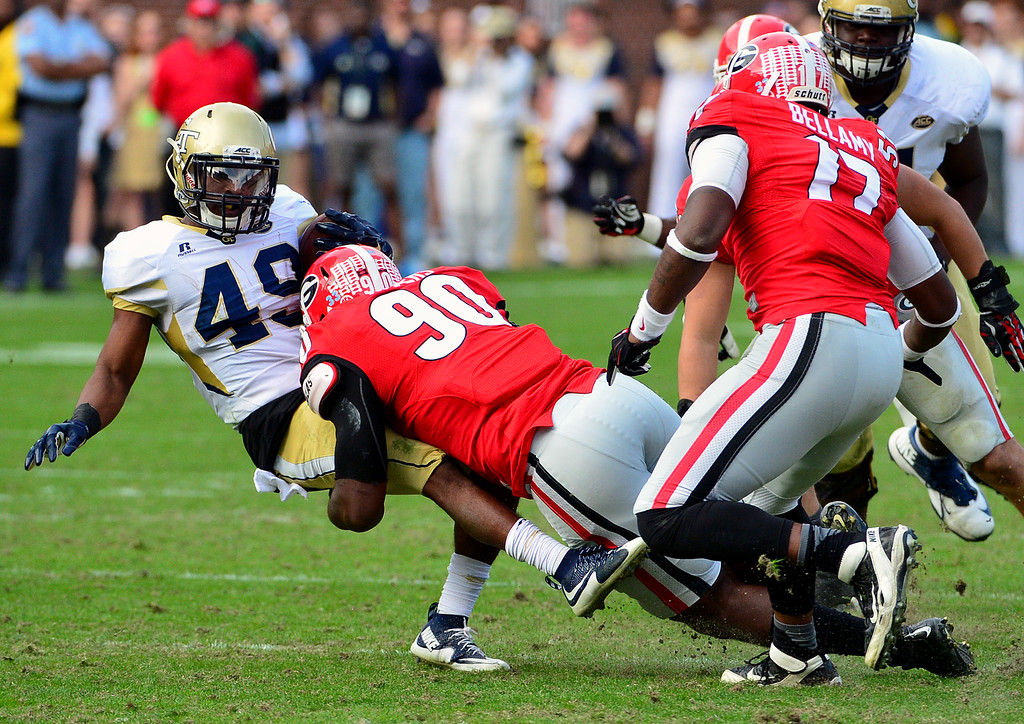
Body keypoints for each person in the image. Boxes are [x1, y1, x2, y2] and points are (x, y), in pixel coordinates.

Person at [21, 100, 651, 674]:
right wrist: (83, 417)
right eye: (220, 176)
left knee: (474, 442)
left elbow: (354, 256)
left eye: (250, 178)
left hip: (355, 368)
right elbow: (115, 367)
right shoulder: (148, 254)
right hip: (281, 415)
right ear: (185, 174)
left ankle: (447, 624)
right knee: (430, 461)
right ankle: (565, 565)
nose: (238, 192)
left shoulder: (290, 210)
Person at [607, 32, 962, 686]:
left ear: (746, 79)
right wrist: (891, 351)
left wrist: (641, 333)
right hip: (877, 355)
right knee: (761, 516)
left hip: (807, 333)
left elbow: (701, 228)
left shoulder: (737, 115)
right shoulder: (864, 144)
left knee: (663, 513)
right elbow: (938, 304)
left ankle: (857, 551)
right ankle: (797, 650)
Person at [807, 0, 1002, 539]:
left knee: (976, 400)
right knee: (838, 430)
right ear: (827, 23)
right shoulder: (798, 77)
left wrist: (935, 252)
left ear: (908, 30)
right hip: (832, 265)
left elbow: (968, 180)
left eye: (882, 30)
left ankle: (928, 451)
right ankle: (842, 557)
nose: (866, 42)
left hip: (922, 253)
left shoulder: (948, 82)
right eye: (852, 27)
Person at [3, 0, 110, 293]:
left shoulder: (80, 25)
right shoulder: (32, 22)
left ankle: (53, 273)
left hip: (71, 115)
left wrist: (60, 67)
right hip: (39, 115)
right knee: (33, 194)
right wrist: (78, 68)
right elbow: (39, 67)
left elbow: (102, 61)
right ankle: (18, 271)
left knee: (64, 193)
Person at [635, 0, 718, 219]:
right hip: (671, 113)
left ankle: (703, 223)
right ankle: (662, 224)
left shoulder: (718, 39)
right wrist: (646, 124)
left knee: (707, 167)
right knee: (667, 170)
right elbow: (653, 83)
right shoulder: (664, 43)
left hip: (708, 110)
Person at [379, 0, 445, 273]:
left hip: (410, 130)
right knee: (372, 193)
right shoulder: (372, 38)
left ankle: (415, 255)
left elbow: (436, 83)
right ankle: (375, 256)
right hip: (377, 131)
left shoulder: (421, 42)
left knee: (413, 194)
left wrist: (430, 115)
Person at [150, 0, 259, 129]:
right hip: (185, 132)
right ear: (189, 24)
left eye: (209, 23)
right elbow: (158, 101)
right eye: (199, 23)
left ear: (218, 24)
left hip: (227, 133)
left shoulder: (240, 58)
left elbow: (250, 100)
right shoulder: (171, 56)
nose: (204, 31)